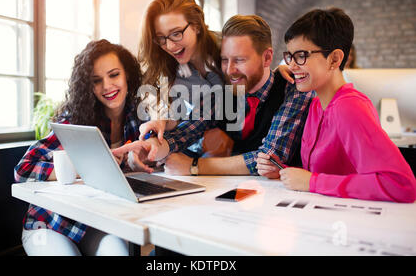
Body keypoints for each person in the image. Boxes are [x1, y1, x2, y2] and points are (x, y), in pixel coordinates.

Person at [114, 15, 314, 176]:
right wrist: (150, 147)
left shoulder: (293, 89)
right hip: (229, 196)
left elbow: (270, 159)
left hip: (280, 202)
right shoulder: (223, 90)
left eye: (240, 60)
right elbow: (185, 133)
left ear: (267, 57)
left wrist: (195, 166)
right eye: (225, 60)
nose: (230, 70)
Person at [256, 8, 416, 203]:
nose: (291, 66)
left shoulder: (349, 107)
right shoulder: (316, 106)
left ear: (334, 59)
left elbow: (401, 186)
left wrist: (312, 183)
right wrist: (282, 170)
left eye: (301, 56)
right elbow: (324, 174)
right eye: (290, 56)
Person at [14, 39, 149, 255]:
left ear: (128, 75)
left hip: (98, 223)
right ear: (89, 86)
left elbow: (157, 161)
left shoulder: (139, 118)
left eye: (114, 75)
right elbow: (23, 169)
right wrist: (85, 166)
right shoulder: (76, 119)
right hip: (51, 222)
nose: (107, 86)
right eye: (97, 80)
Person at [116, 0, 225, 169]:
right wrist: (160, 124)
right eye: (161, 38)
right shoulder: (165, 67)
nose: (170, 46)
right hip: (201, 154)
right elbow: (175, 117)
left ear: (197, 25)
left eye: (176, 33)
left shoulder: (226, 48)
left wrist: (281, 70)